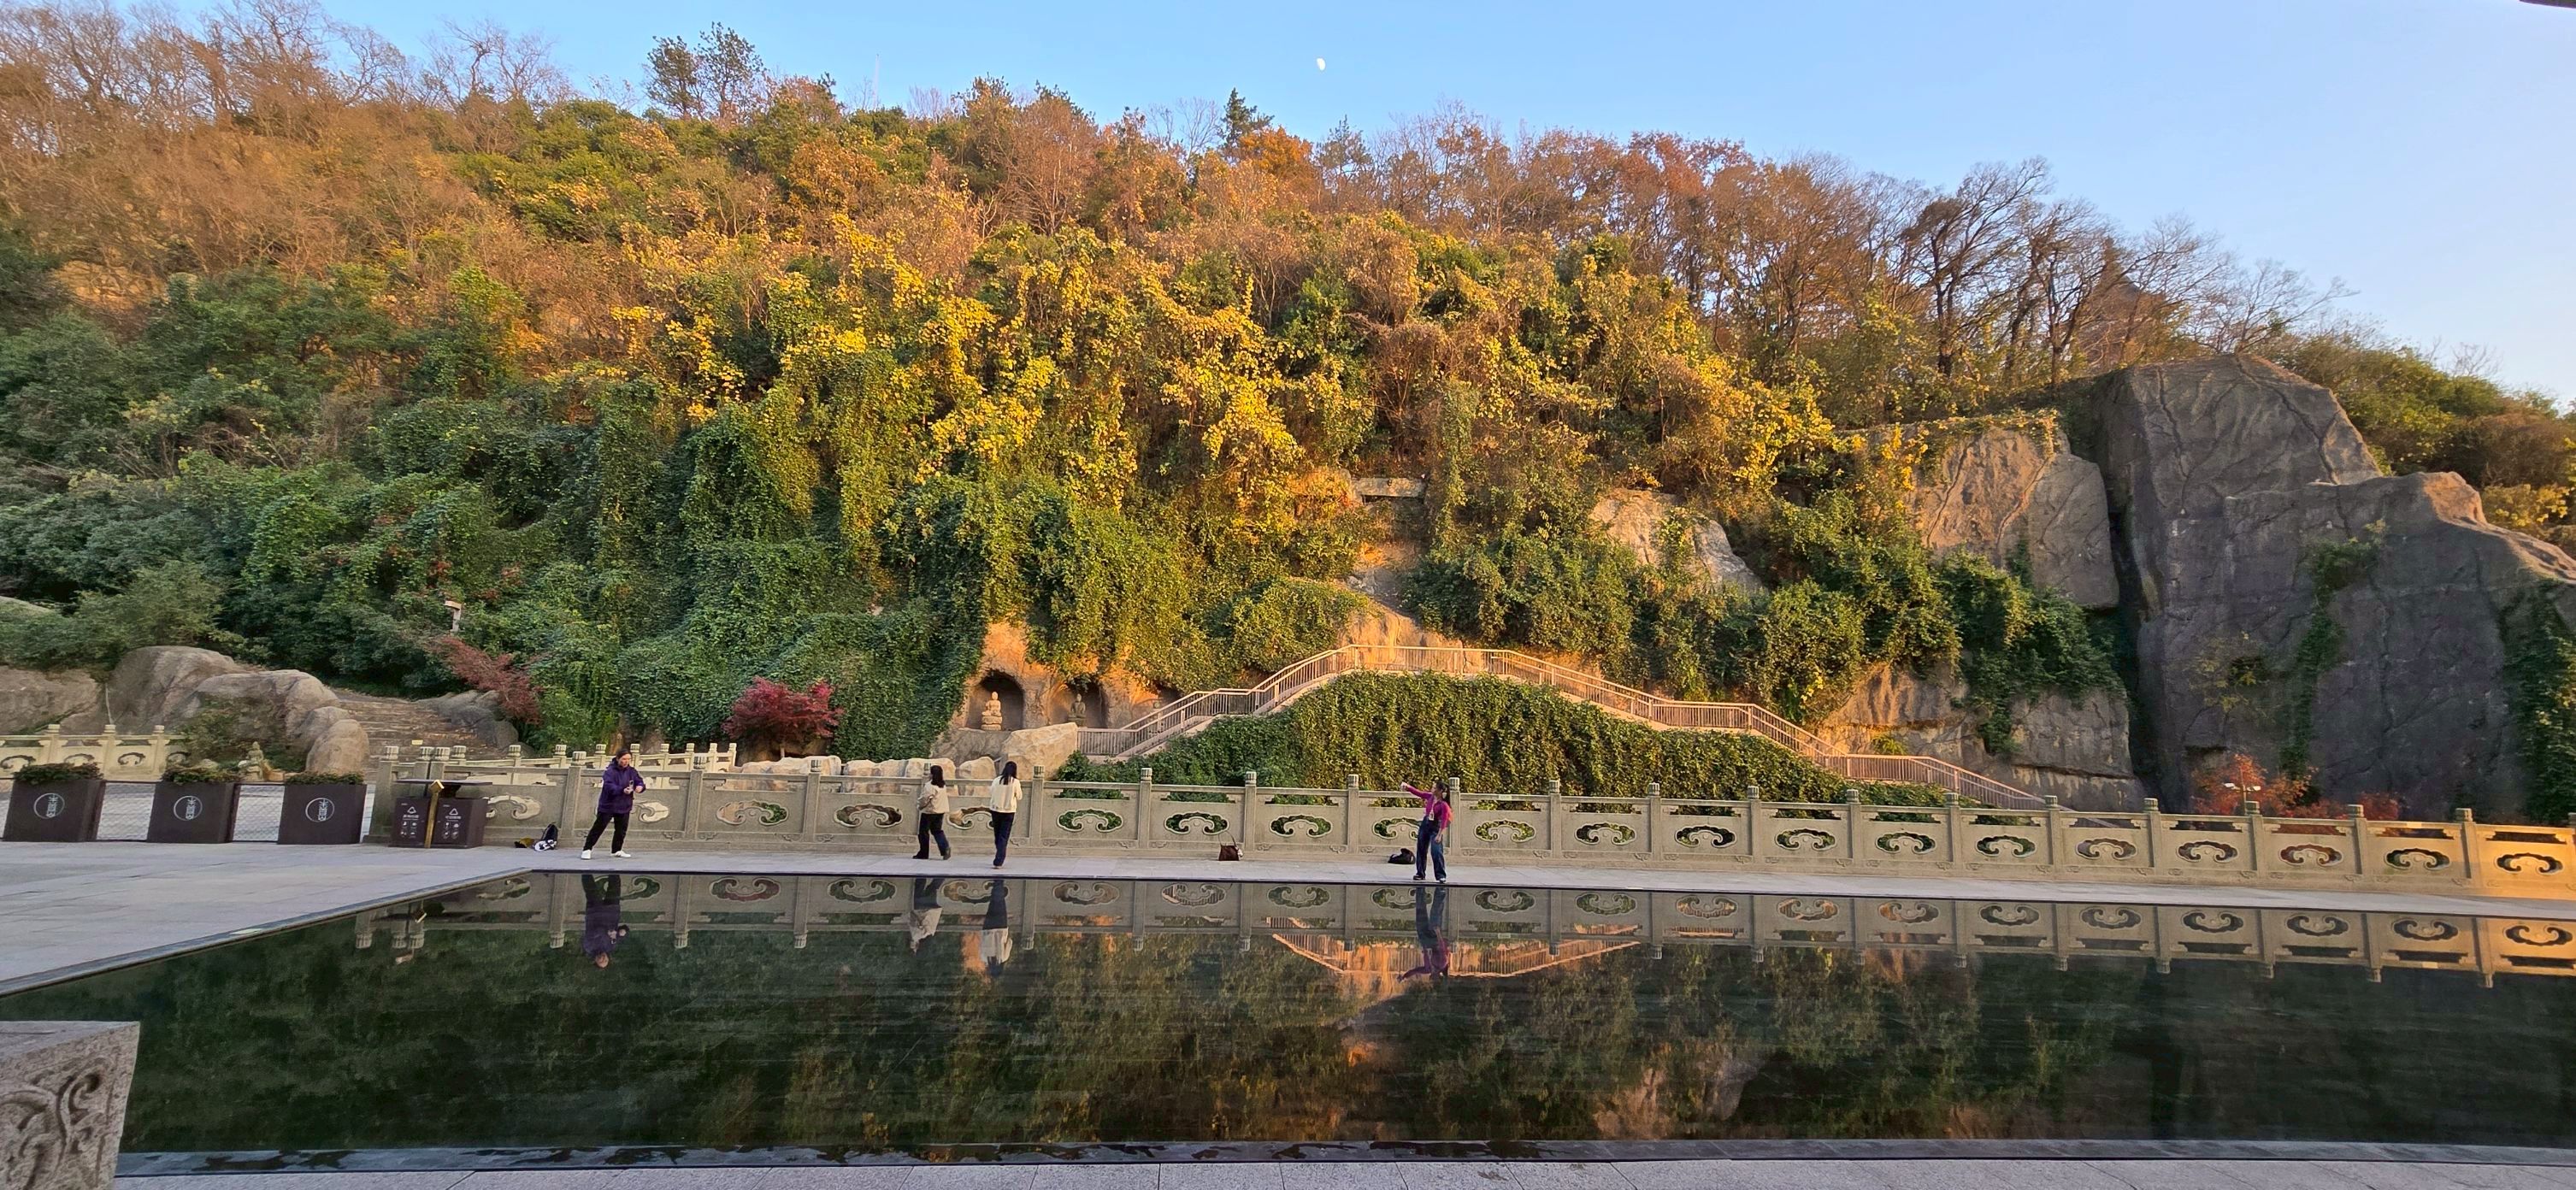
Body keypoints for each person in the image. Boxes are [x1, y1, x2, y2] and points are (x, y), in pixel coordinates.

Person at [582, 748, 645, 859]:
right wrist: (622, 790)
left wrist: (640, 787)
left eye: (629, 759)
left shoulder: (632, 771)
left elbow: (639, 781)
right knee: (598, 828)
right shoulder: (610, 771)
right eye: (624, 759)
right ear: (618, 758)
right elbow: (609, 786)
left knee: (621, 830)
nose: (626, 761)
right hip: (609, 805)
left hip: (625, 804)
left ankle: (616, 850)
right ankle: (587, 849)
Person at [1402, 780, 1451, 883]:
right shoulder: (1430, 797)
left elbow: (1444, 821)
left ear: (1440, 790)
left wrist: (1439, 835)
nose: (1432, 789)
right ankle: (1420, 873)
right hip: (1426, 824)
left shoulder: (1444, 805)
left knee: (1436, 851)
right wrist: (1408, 787)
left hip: (1436, 827)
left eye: (1434, 787)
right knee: (1421, 849)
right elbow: (1419, 793)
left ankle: (1441, 875)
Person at [1400, 883, 1451, 981]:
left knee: (1420, 911)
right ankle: (1441, 890)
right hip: (1434, 939)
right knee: (1435, 913)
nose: (1432, 978)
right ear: (1439, 975)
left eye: (1431, 979)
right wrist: (1438, 933)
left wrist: (1404, 977)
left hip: (1425, 940)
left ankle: (1420, 888)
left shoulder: (1427, 969)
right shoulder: (1443, 963)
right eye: (1434, 979)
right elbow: (1442, 948)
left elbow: (1414, 971)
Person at [581, 873, 629, 969]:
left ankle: (584, 868)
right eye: (606, 960)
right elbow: (620, 933)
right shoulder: (610, 947)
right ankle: (613, 866)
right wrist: (623, 931)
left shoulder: (588, 947)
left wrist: (607, 932)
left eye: (601, 961)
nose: (603, 958)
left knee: (591, 888)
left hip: (595, 911)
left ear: (595, 961)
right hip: (612, 911)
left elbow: (594, 931)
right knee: (615, 885)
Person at [986, 761, 1023, 868]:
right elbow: (1019, 796)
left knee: (997, 835)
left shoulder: (997, 780)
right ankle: (999, 860)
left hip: (995, 810)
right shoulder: (1015, 782)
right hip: (1008, 811)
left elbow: (991, 792)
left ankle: (999, 855)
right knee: (1003, 836)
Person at [913, 765, 952, 860]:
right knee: (937, 831)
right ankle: (945, 848)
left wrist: (919, 806)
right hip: (941, 811)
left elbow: (924, 799)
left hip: (930, 811)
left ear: (932, 774)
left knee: (923, 833)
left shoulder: (930, 786)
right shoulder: (942, 785)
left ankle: (923, 853)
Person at [976, 878, 1012, 975]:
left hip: (1001, 927)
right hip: (988, 928)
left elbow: (1009, 942)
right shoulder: (984, 957)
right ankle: (997, 884)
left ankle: (999, 882)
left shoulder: (1003, 957)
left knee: (1000, 902)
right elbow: (980, 943)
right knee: (993, 902)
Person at [906, 875, 943, 952]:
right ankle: (921, 871)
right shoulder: (915, 936)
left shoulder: (929, 934)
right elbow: (913, 921)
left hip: (932, 910)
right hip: (921, 909)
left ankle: (943, 873)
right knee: (919, 885)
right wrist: (909, 915)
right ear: (916, 944)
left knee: (933, 887)